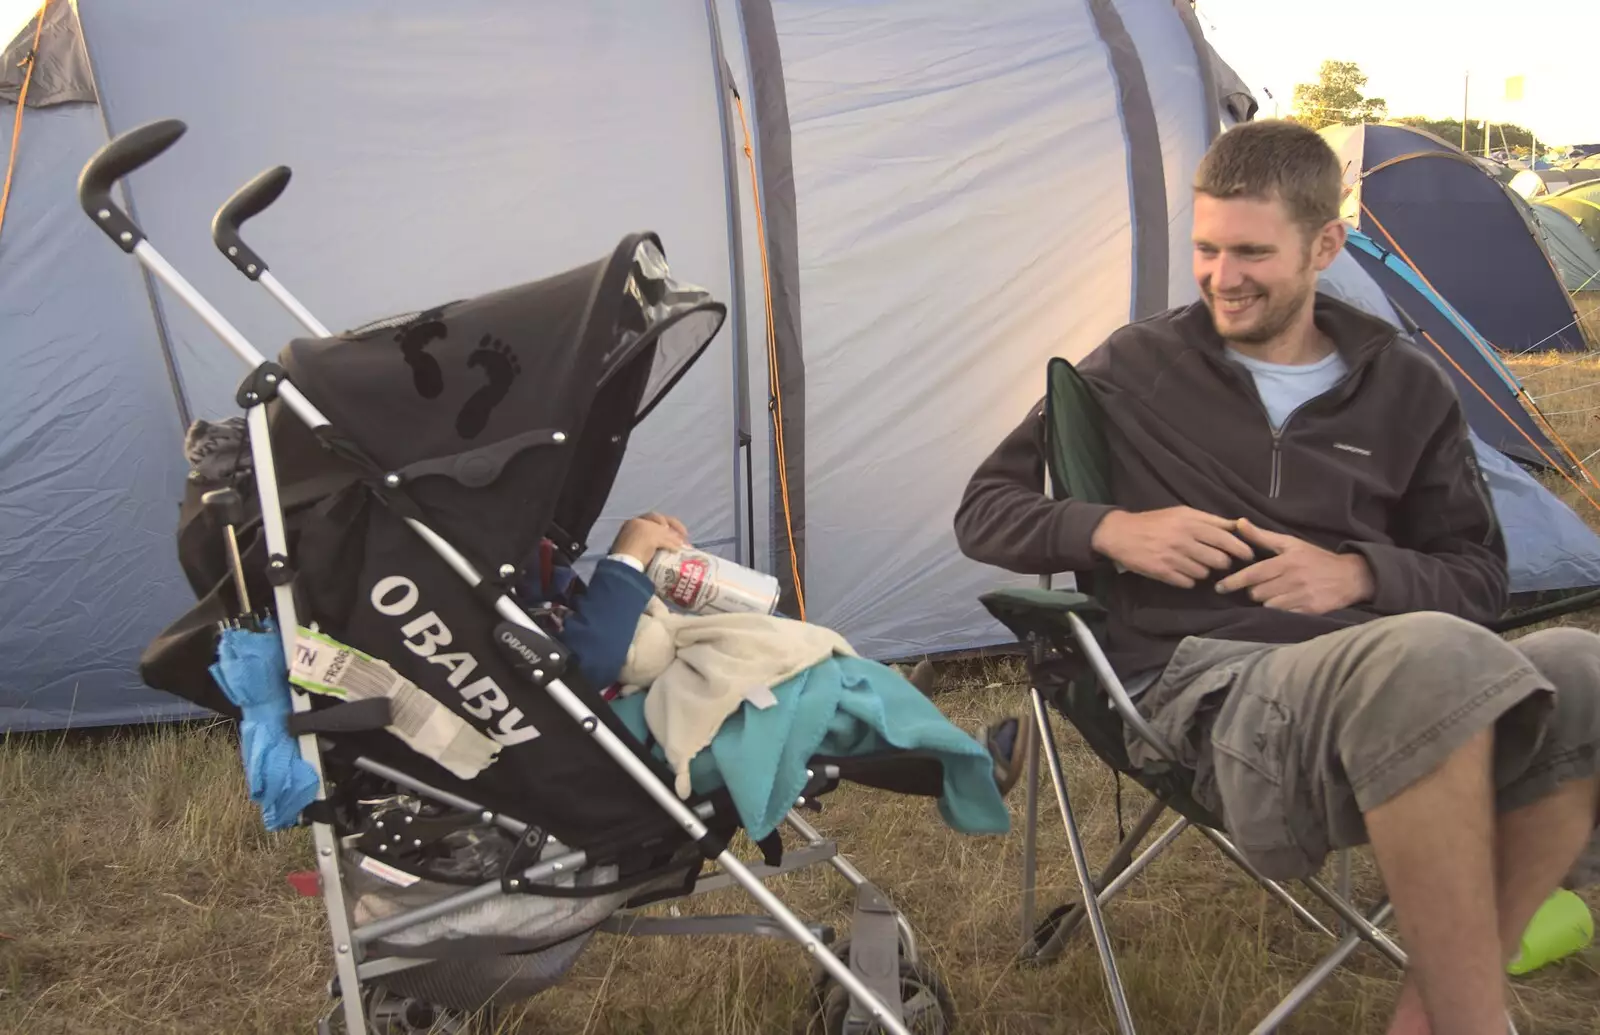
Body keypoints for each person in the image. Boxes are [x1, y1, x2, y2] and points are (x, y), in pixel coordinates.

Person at [953, 119, 1600, 1035]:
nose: (1222, 277)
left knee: (1583, 669)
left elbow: (1479, 579)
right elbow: (985, 507)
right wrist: (1112, 528)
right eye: (1207, 249)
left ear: (1326, 246)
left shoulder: (1405, 385)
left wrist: (1355, 573)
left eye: (1252, 252)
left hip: (1385, 673)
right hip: (1199, 688)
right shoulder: (1135, 367)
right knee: (1427, 661)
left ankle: (1436, 1005)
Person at [520, 512, 1033, 796]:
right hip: (606, 734)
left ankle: (881, 696)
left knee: (770, 635)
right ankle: (957, 763)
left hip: (636, 684)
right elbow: (581, 669)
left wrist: (638, 568)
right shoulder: (493, 601)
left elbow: (591, 626)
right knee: (785, 691)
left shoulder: (530, 565)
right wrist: (625, 559)